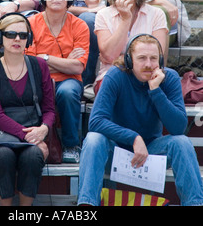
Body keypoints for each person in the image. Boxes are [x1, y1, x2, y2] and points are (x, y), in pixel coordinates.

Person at [78, 34, 203, 207]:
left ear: (160, 60)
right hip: (116, 151)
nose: (149, 64)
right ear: (129, 61)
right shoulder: (115, 76)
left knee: (181, 142)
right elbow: (96, 121)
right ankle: (87, 206)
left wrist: (156, 91)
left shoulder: (170, 78)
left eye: (153, 58)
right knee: (93, 139)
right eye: (142, 58)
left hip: (152, 150)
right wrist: (134, 138)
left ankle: (195, 204)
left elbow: (178, 128)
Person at [0, 13, 55, 206]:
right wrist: (28, 136)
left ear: (28, 39)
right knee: (4, 155)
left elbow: (49, 109)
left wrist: (44, 129)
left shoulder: (40, 66)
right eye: (11, 34)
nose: (17, 39)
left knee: (33, 155)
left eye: (22, 35)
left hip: (34, 135)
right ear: (0, 37)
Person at [26, 0, 90, 163]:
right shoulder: (31, 23)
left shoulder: (79, 25)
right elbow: (29, 61)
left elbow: (77, 66)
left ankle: (71, 145)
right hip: (37, 79)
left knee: (68, 92)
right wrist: (63, 61)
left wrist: (44, 57)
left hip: (69, 81)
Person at [94, 0, 168, 94]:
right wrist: (125, 19)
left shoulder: (157, 14)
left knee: (169, 77)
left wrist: (123, 58)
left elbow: (157, 56)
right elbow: (109, 55)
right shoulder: (103, 15)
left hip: (146, 74)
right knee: (112, 81)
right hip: (111, 76)